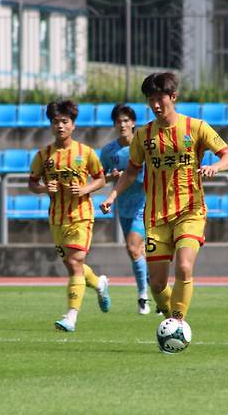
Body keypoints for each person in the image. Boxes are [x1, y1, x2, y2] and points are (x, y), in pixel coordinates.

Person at [100, 72, 228, 325]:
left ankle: (178, 323)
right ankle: (171, 320)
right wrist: (112, 195)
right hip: (156, 216)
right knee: (158, 285)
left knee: (184, 267)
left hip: (190, 210)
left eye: (159, 98)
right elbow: (131, 171)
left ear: (173, 97)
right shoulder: (143, 135)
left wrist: (215, 167)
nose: (155, 105)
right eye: (150, 99)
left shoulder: (196, 127)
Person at [28, 100, 111, 332]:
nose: (60, 126)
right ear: (51, 125)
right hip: (56, 218)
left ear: (73, 125)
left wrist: (85, 189)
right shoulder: (44, 155)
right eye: (56, 122)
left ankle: (71, 317)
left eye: (65, 122)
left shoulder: (86, 153)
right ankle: (99, 282)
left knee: (75, 262)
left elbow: (101, 178)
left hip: (81, 215)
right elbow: (32, 183)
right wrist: (44, 188)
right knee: (71, 264)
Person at [99, 104, 150, 315]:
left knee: (132, 247)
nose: (122, 124)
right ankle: (155, 288)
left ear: (133, 123)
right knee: (137, 252)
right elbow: (99, 177)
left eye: (126, 120)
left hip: (144, 204)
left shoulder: (143, 147)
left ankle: (142, 297)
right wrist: (111, 177)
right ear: (114, 124)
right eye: (119, 121)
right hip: (123, 206)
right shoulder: (109, 151)